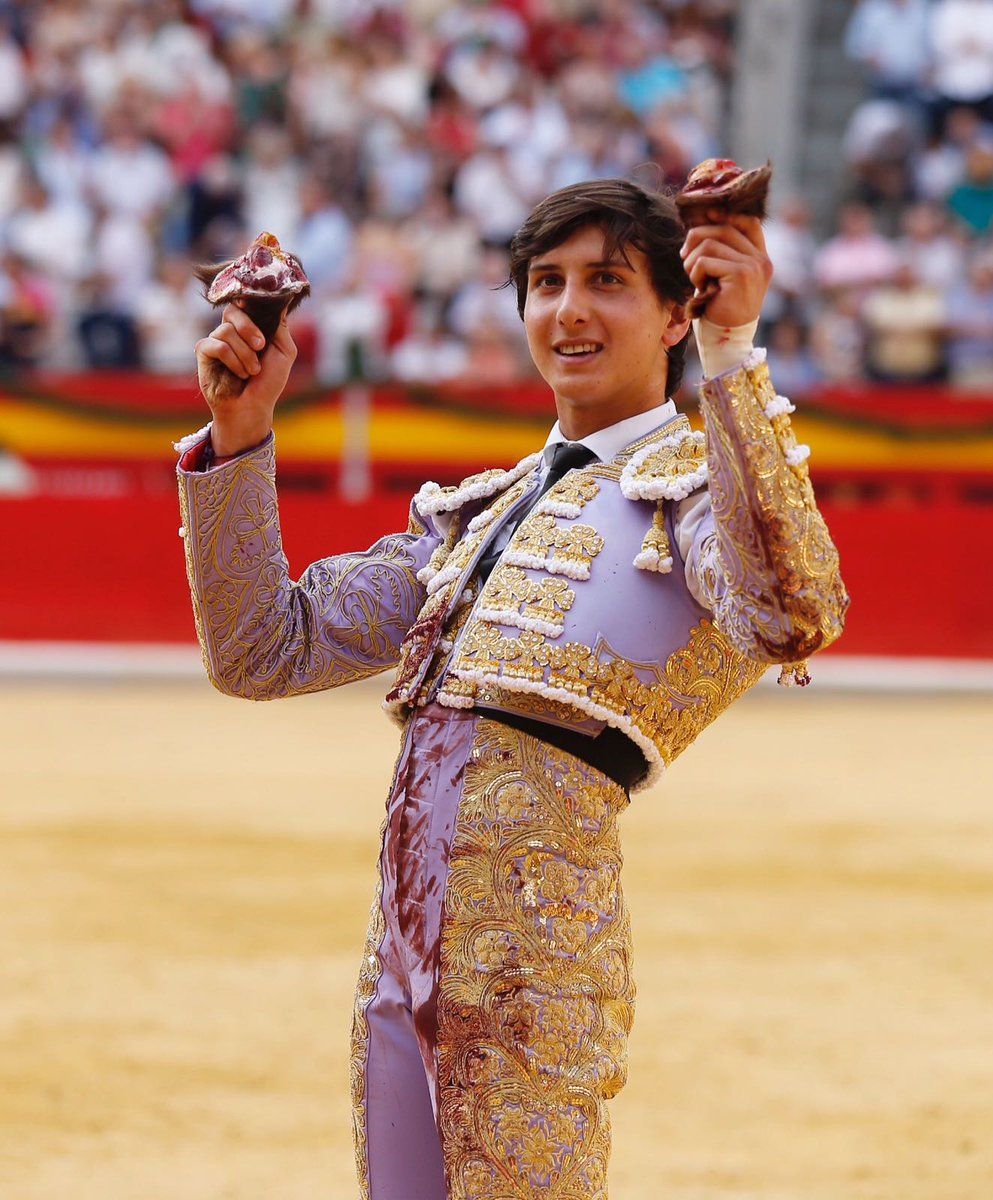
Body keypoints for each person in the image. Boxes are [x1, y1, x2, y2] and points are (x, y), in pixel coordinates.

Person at [174, 179, 848, 1200]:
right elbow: (265, 647)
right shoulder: (477, 515)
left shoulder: (702, 487)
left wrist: (733, 358)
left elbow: (794, 608)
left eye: (608, 283)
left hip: (532, 958)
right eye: (546, 282)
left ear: (677, 311)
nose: (569, 310)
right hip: (395, 958)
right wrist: (241, 434)